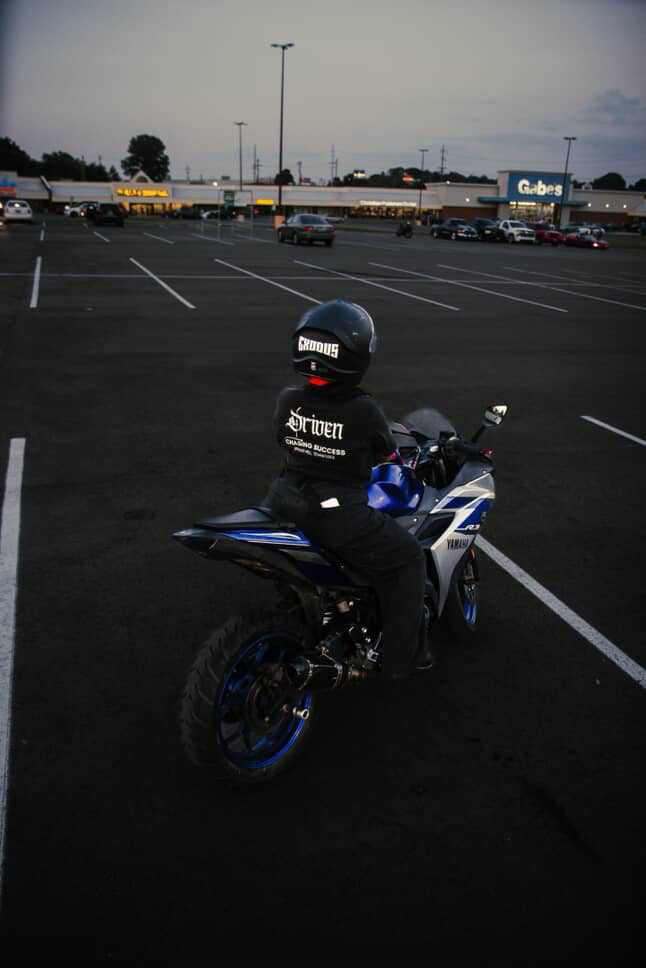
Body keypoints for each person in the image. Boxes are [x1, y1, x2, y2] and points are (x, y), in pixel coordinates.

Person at [262, 300, 432, 679]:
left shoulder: (288, 398)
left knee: (288, 576)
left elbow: (282, 437)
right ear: (355, 356)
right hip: (337, 514)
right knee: (409, 559)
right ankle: (402, 661)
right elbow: (387, 453)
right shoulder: (364, 409)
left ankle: (292, 617)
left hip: (281, 501)